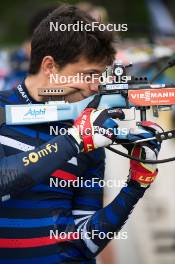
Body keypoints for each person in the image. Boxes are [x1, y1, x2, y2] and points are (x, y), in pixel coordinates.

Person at [0, 5, 162, 263]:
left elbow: (85, 243)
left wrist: (136, 185)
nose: (94, 88)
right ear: (50, 66)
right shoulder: (5, 110)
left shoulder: (87, 130)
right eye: (89, 75)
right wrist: (73, 141)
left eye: (100, 77)